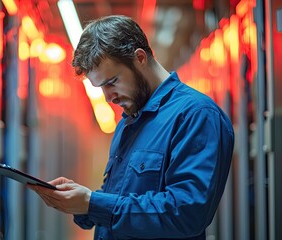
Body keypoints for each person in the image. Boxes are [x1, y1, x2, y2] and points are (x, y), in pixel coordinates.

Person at [28, 15, 234, 240]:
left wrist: (93, 203)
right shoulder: (129, 122)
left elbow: (186, 213)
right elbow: (121, 199)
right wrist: (80, 201)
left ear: (140, 58)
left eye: (112, 82)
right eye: (100, 87)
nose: (108, 97)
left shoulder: (196, 115)